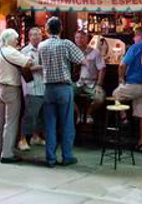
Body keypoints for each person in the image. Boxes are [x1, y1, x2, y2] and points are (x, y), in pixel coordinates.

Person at [39, 17, 85, 168]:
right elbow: (82, 60)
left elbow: (40, 64)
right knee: (66, 124)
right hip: (64, 87)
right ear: (60, 29)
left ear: (47, 29)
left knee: (50, 124)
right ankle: (67, 156)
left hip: (48, 89)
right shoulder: (65, 44)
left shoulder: (41, 45)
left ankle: (50, 158)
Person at [0, 29, 32, 163]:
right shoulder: (10, 51)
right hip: (10, 89)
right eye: (15, 38)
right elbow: (28, 62)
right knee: (11, 122)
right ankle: (7, 154)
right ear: (8, 39)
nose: (17, 41)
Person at [113, 26, 142, 153]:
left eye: (134, 36)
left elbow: (122, 65)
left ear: (139, 36)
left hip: (132, 84)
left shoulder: (134, 47)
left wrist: (120, 79)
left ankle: (124, 117)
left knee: (116, 94)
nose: (133, 38)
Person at [18, 28, 46, 151]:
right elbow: (23, 69)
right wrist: (39, 67)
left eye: (39, 35)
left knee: (40, 115)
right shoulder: (25, 51)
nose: (36, 37)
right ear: (29, 37)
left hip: (44, 86)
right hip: (31, 87)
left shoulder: (44, 49)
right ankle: (22, 139)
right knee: (30, 114)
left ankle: (36, 136)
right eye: (33, 35)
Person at [73, 31, 106, 124]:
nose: (79, 40)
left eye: (82, 38)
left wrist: (99, 85)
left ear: (87, 39)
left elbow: (102, 69)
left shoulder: (95, 52)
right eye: (77, 38)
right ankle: (78, 114)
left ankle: (88, 113)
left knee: (100, 98)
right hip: (78, 82)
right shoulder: (72, 53)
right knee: (64, 95)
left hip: (92, 83)